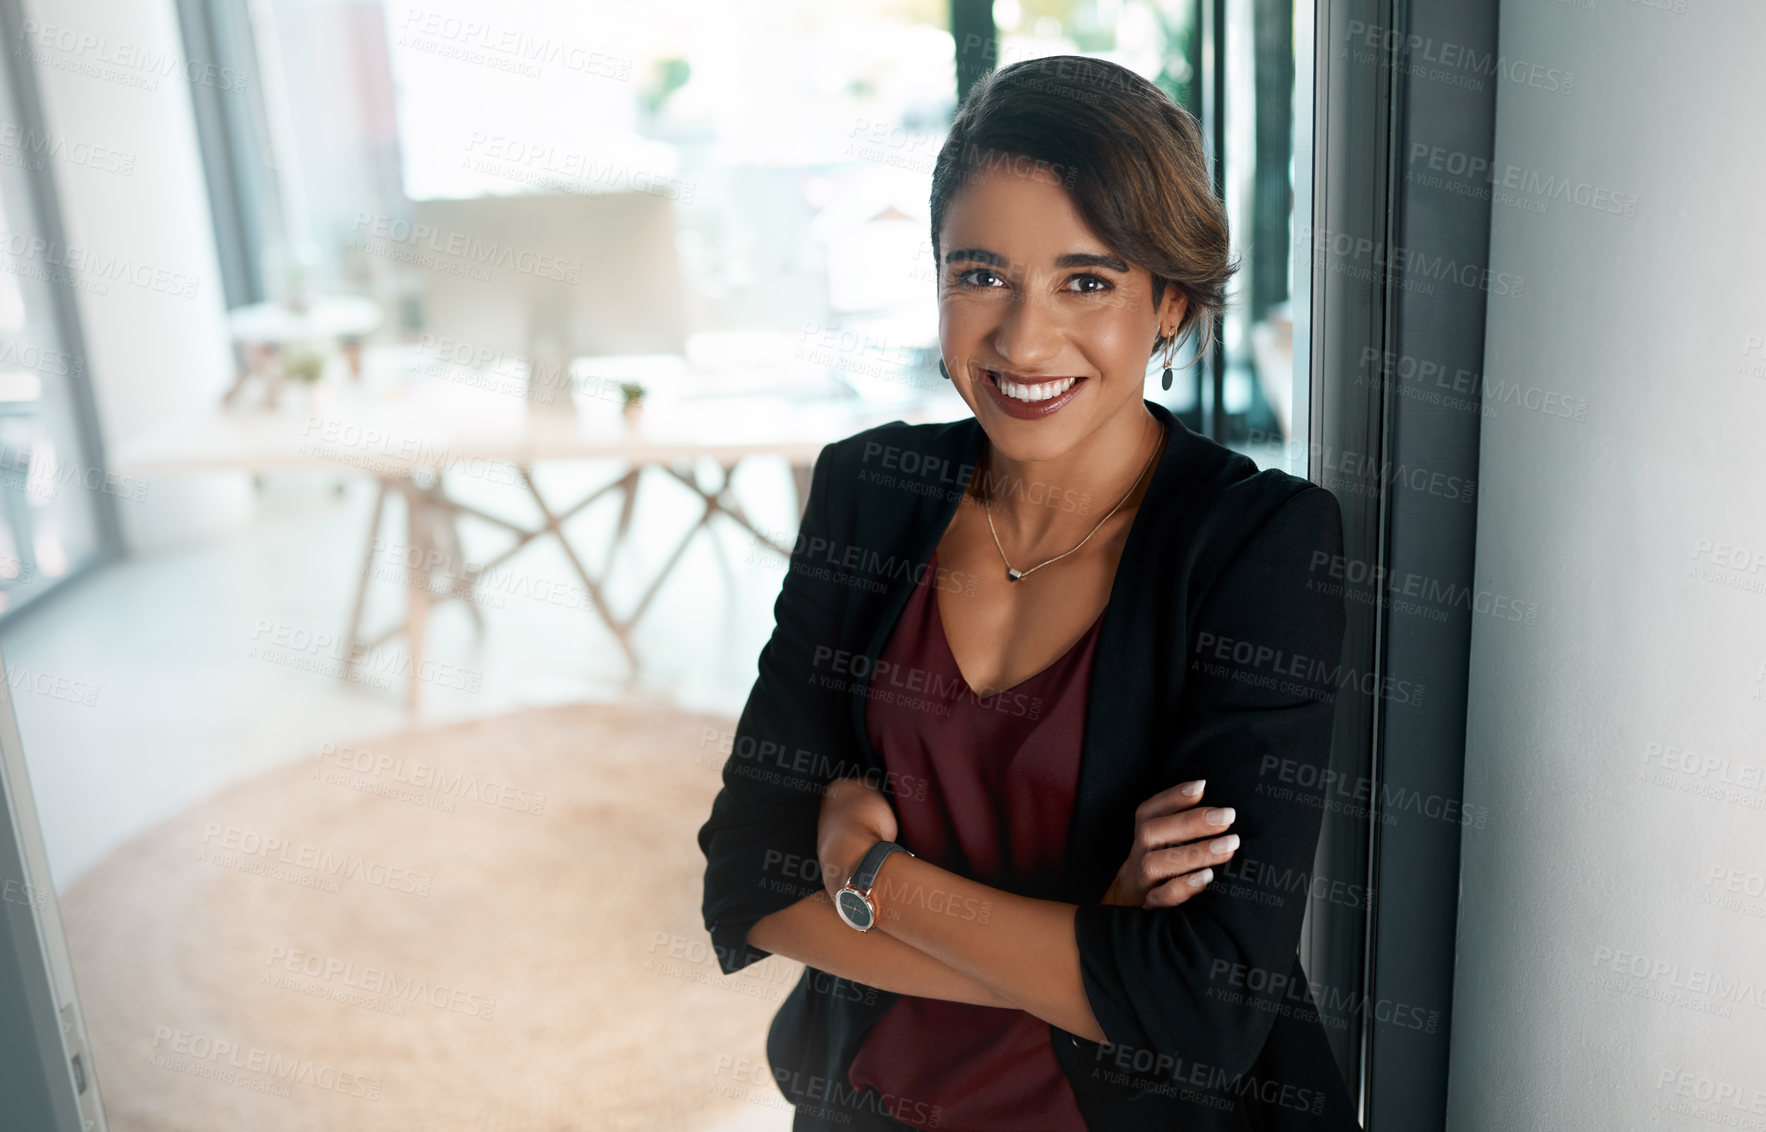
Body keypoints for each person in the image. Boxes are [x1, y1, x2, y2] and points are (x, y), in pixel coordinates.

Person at [698, 55, 1359, 1131]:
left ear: (1171, 303)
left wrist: (873, 875)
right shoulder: (872, 490)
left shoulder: (1260, 543)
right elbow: (746, 878)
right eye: (978, 274)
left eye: (1085, 281)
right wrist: (1091, 944)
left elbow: (1205, 1000)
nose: (1021, 338)